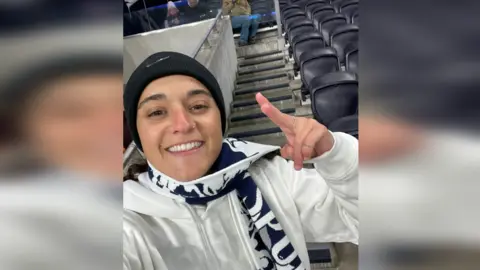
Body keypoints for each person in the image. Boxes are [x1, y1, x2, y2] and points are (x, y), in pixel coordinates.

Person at [123, 52, 358, 270]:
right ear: (139, 136)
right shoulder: (128, 223)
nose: (183, 124)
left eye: (198, 106)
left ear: (220, 119)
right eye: (156, 112)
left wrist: (336, 157)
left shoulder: (272, 175)